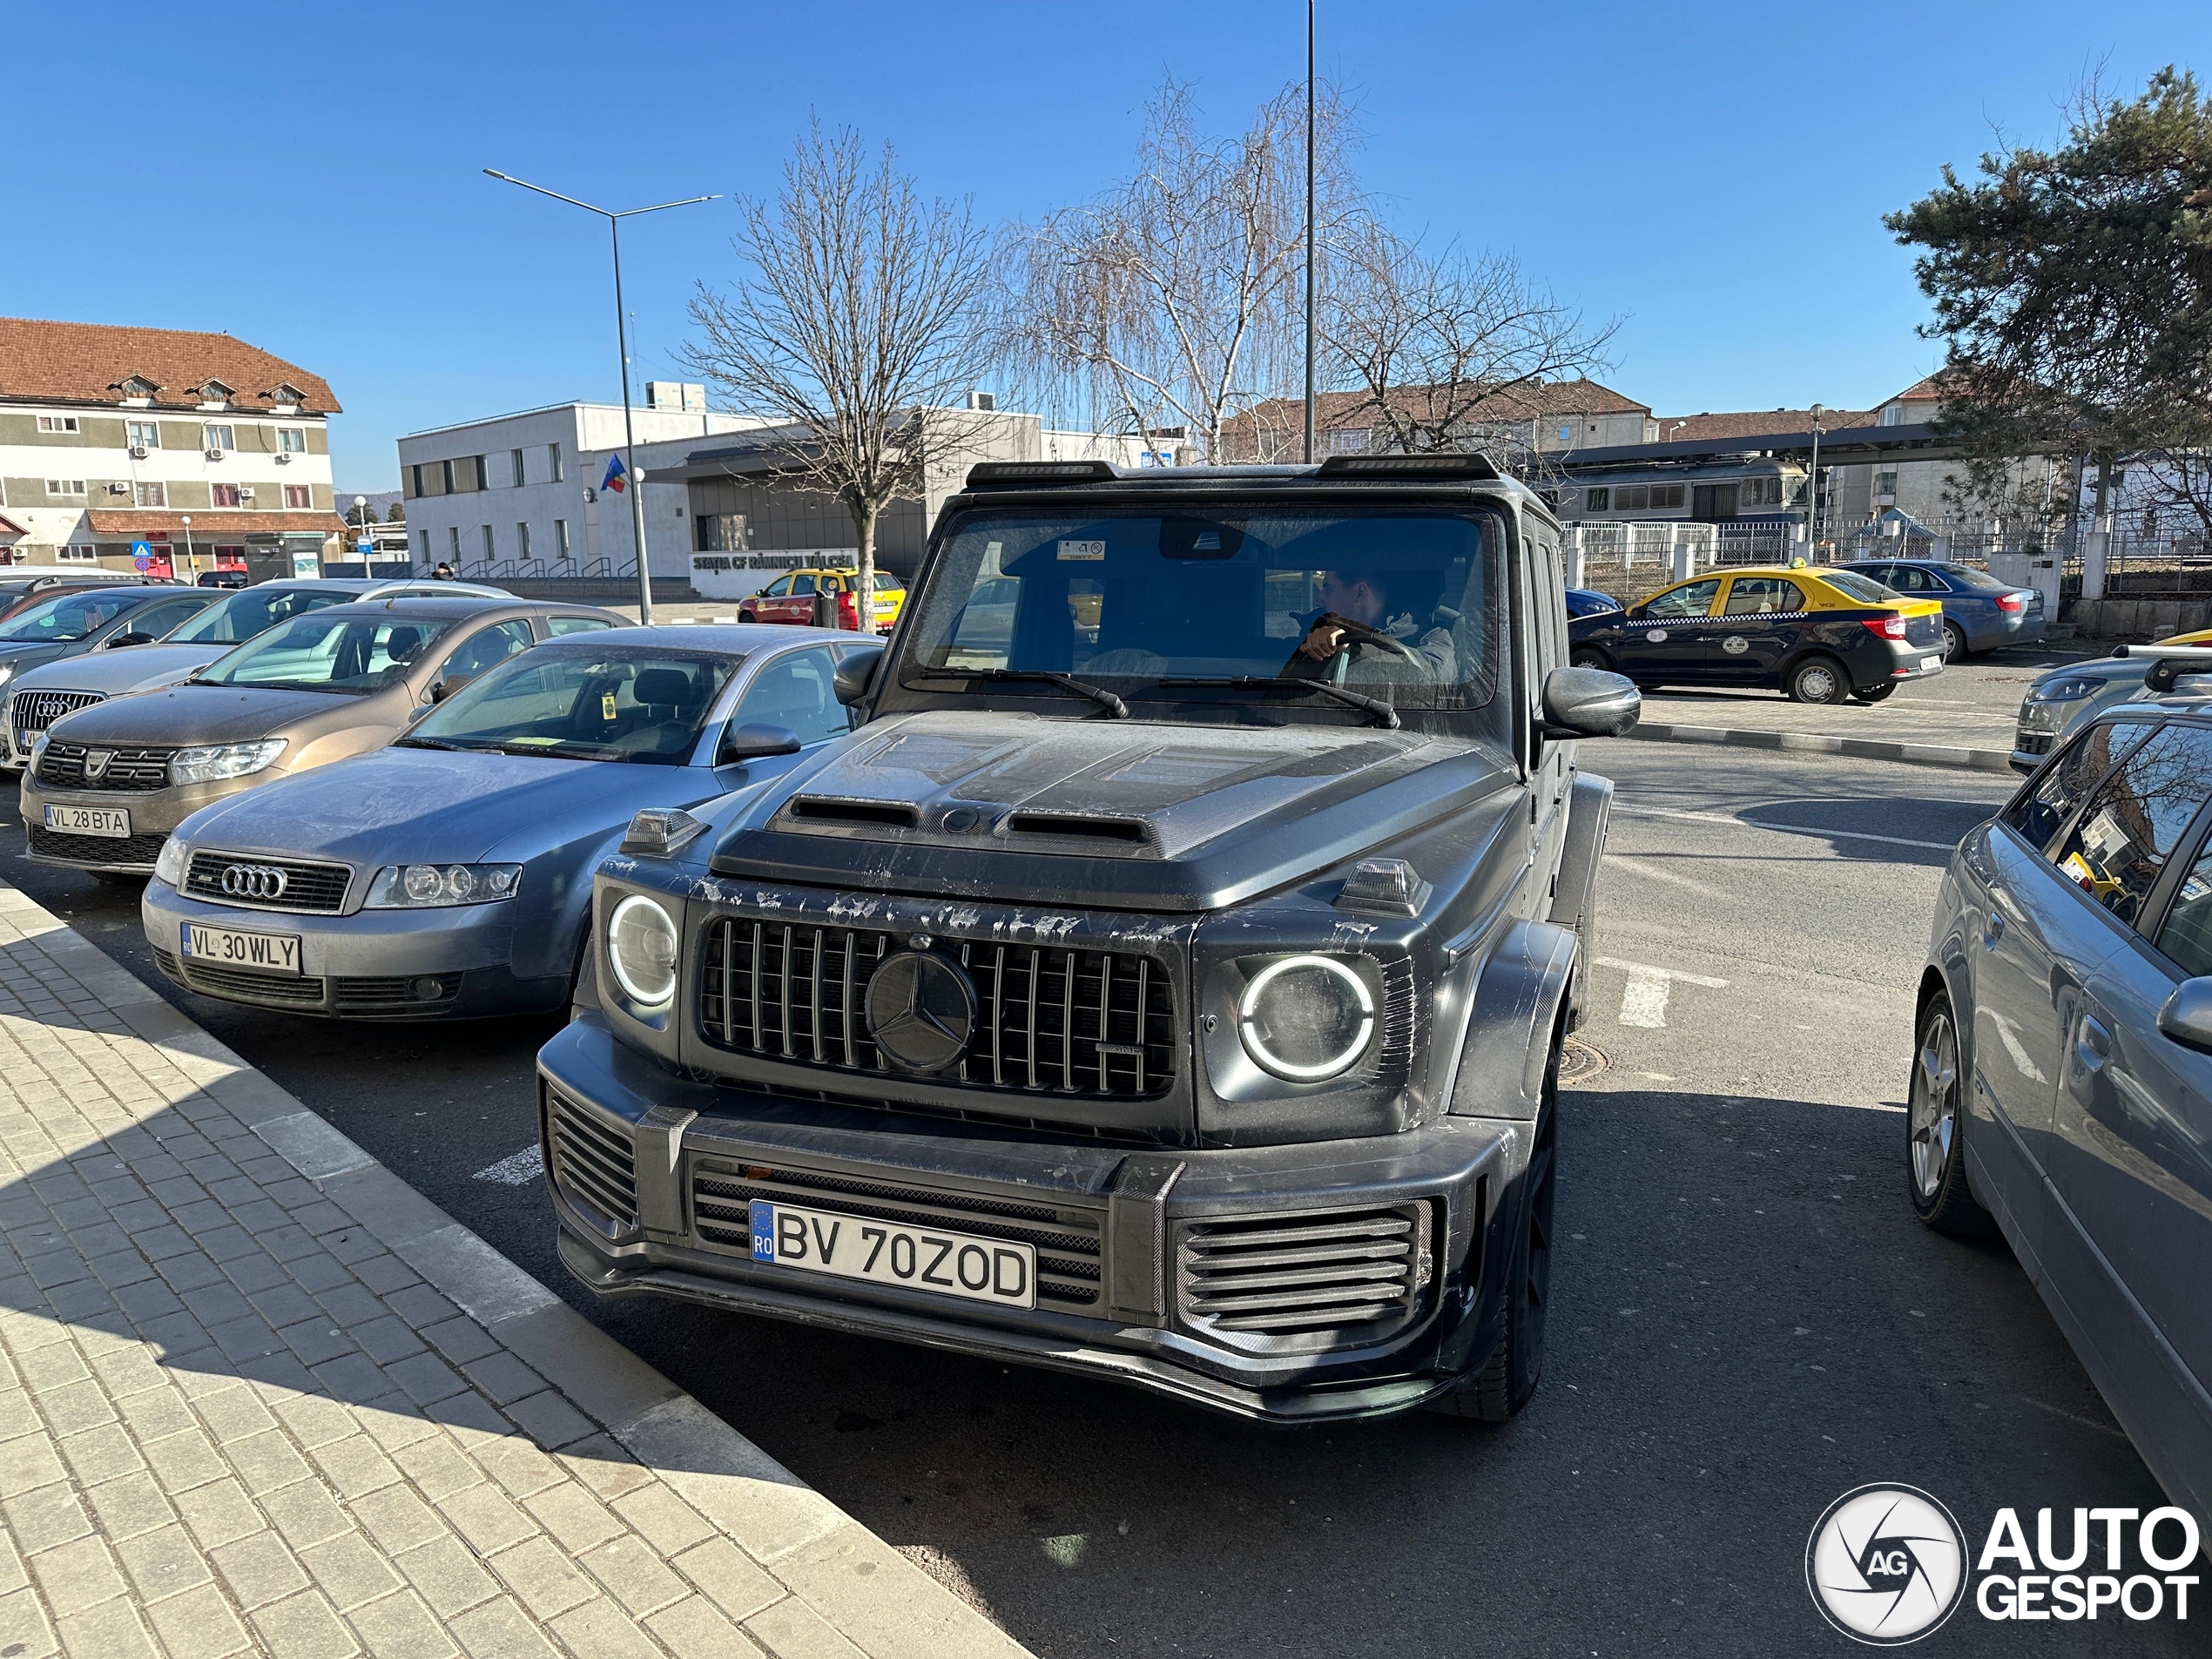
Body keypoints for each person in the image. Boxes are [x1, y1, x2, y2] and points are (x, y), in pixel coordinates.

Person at [1291, 568, 1455, 685]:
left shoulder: (1430, 637)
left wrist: (1353, 642)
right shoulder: (1315, 627)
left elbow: (1436, 676)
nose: (1318, 599)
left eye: (1327, 588)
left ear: (1360, 592)